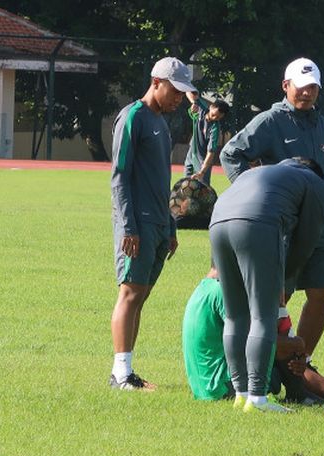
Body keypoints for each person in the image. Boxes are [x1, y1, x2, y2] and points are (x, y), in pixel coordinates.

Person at [219, 57, 324, 358]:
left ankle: (300, 363)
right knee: (278, 298)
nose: (307, 93)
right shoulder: (270, 121)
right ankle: (265, 362)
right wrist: (253, 195)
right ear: (285, 86)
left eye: (313, 88)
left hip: (321, 224)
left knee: (322, 292)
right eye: (301, 88)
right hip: (283, 225)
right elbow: (231, 154)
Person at [209, 157, 324, 413]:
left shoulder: (261, 173)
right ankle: (258, 398)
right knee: (263, 317)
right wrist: (285, 277)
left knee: (235, 315)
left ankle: (240, 393)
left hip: (217, 222)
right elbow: (306, 239)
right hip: (256, 224)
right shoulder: (314, 182)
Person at [109, 57, 197, 390]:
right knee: (130, 293)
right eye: (174, 90)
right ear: (156, 82)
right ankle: (120, 374)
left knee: (140, 295)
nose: (178, 98)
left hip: (159, 223)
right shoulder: (134, 116)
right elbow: (120, 175)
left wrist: (171, 226)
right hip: (138, 224)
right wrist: (129, 226)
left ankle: (127, 370)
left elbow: (162, 180)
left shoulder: (162, 122)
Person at [182, 264, 324, 402]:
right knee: (282, 346)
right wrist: (297, 344)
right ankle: (318, 396)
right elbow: (256, 340)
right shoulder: (223, 291)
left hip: (205, 386)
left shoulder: (204, 287)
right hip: (223, 387)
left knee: (280, 342)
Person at [184, 91, 230, 185]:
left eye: (218, 118)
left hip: (202, 160)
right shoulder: (201, 109)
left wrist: (202, 172)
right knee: (186, 185)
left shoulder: (215, 129)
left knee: (203, 191)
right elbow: (188, 92)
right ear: (211, 107)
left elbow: (211, 152)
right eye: (213, 115)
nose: (214, 118)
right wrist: (193, 103)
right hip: (191, 154)